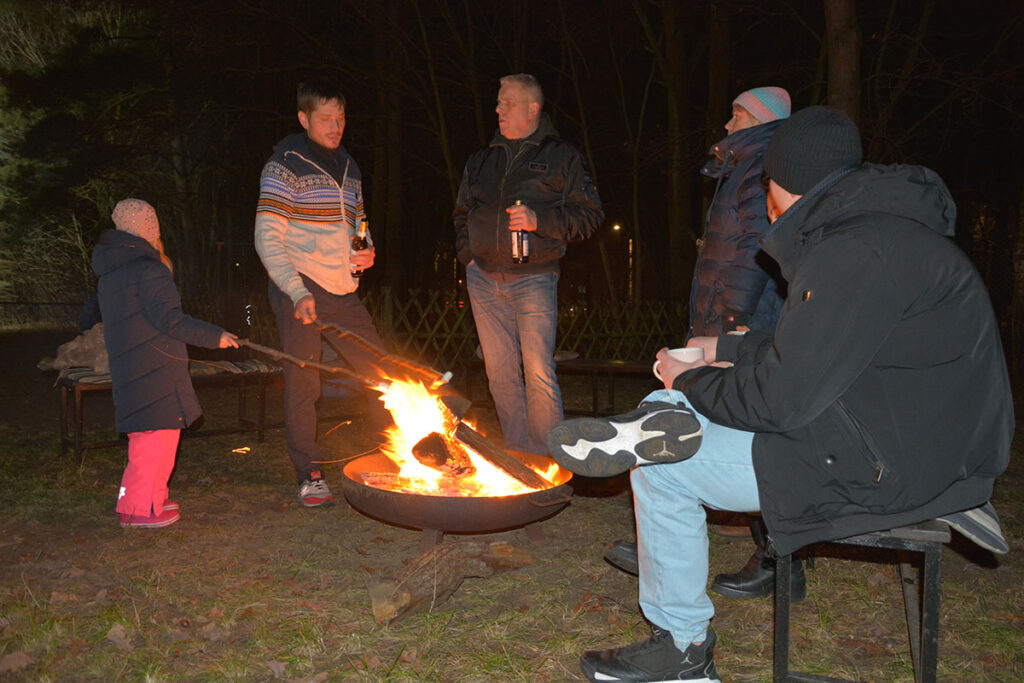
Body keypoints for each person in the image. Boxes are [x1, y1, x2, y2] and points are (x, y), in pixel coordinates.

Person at [547, 106, 1013, 682]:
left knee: (659, 467)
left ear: (783, 183)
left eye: (767, 178)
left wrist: (689, 377)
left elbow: (780, 401)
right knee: (673, 417)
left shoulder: (854, 252)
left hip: (893, 462)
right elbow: (826, 347)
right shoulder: (877, 232)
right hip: (911, 436)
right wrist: (722, 350)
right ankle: (659, 418)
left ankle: (682, 651)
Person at [604, 86, 793, 580]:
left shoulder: (761, 168)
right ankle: (671, 532)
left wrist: (730, 332)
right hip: (730, 320)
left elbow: (757, 255)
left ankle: (779, 562)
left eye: (736, 114)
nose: (727, 125)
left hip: (746, 321)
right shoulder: (745, 167)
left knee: (750, 427)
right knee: (725, 419)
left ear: (762, 120)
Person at [255, 78, 392, 508]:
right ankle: (309, 473)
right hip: (296, 283)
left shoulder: (350, 166)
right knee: (304, 381)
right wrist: (296, 291)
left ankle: (403, 450)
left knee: (380, 368)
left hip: (340, 288)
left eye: (341, 117)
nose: (336, 126)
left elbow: (359, 225)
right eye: (326, 118)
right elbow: (267, 238)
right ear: (304, 118)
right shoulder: (285, 166)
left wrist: (366, 251)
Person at [453, 73, 603, 456]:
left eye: (507, 102)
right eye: (498, 102)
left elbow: (589, 216)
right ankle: (519, 457)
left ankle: (551, 460)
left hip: (534, 278)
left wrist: (541, 222)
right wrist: (469, 257)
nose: (498, 109)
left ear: (532, 108)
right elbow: (461, 213)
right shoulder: (481, 159)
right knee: (499, 374)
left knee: (538, 373)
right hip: (483, 279)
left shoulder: (561, 156)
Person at [93, 199, 239, 529]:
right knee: (153, 442)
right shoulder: (149, 268)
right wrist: (214, 336)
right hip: (153, 368)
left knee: (157, 438)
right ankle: (137, 510)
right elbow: (171, 319)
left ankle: (151, 498)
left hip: (137, 366)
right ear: (150, 229)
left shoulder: (113, 271)